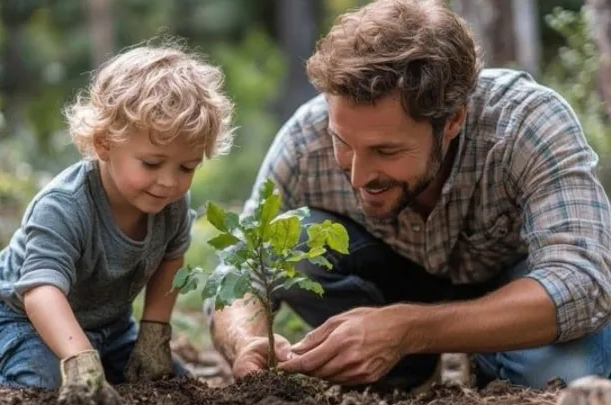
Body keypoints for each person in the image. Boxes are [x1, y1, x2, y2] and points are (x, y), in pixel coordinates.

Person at [206, 0, 611, 393]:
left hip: (512, 293)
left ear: (452, 121)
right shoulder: (303, 138)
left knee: (565, 373)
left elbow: (582, 282)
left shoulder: (527, 122)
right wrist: (246, 341)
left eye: (386, 151)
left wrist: (410, 328)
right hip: (391, 282)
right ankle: (402, 368)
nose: (359, 175)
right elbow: (239, 268)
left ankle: (488, 358)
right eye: (342, 142)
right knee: (284, 235)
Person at [0, 40, 235, 403]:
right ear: (104, 143)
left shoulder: (171, 204)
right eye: (152, 163)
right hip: (26, 322)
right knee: (44, 386)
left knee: (173, 387)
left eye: (187, 167)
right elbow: (40, 293)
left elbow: (171, 262)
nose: (169, 181)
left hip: (110, 328)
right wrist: (80, 361)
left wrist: (154, 335)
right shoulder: (64, 205)